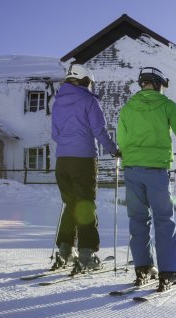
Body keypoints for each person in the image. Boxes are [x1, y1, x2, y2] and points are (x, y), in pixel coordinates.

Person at [117, 66, 176, 291]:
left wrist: (128, 152)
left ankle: (143, 268)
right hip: (156, 169)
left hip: (132, 170)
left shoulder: (128, 108)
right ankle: (168, 272)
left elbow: (121, 136)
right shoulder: (167, 105)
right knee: (163, 219)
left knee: (138, 219)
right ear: (159, 84)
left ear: (142, 84)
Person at [51, 63, 120, 273]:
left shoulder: (57, 101)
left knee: (70, 204)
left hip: (62, 160)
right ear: (86, 80)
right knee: (85, 205)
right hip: (83, 160)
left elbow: (55, 133)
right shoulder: (89, 100)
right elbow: (99, 130)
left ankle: (64, 250)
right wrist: (114, 150)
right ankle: (87, 253)